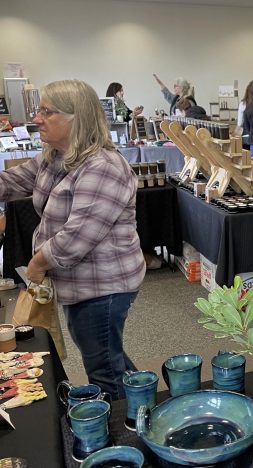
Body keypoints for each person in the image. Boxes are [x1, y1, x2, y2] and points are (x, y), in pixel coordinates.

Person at [0, 79, 145, 400]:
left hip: (103, 286)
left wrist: (36, 265)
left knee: (104, 367)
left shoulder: (104, 166)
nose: (36, 118)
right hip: (78, 283)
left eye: (46, 112)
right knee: (107, 354)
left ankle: (128, 432)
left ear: (74, 118)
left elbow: (75, 238)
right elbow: (13, 181)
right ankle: (143, 401)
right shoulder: (55, 156)